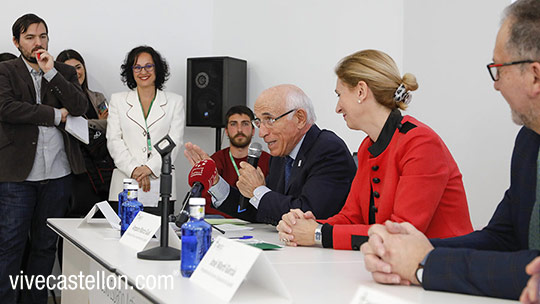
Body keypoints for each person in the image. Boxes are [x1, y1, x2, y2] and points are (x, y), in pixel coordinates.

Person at [361, 0, 540, 300]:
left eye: (497, 69)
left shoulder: (419, 140)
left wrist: (425, 264)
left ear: (534, 76)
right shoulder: (527, 142)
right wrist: (407, 247)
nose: (495, 86)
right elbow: (503, 237)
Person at [276, 50, 473, 250]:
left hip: (443, 269)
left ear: (361, 91)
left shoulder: (421, 143)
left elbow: (402, 232)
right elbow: (352, 217)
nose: (337, 108)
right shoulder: (367, 147)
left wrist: (318, 234)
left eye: (339, 95)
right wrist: (307, 226)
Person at [0, 13, 88, 303]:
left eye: (43, 36)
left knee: (45, 246)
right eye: (30, 37)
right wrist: (53, 114)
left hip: (58, 174)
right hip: (17, 176)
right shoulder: (6, 70)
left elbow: (79, 105)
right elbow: (8, 108)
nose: (38, 43)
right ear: (16, 41)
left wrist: (51, 73)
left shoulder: (62, 70)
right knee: (10, 246)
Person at [184, 84, 356, 225]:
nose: (261, 132)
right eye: (259, 122)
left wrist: (258, 190)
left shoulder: (328, 149)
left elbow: (309, 214)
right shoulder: (281, 155)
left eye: (269, 120)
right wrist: (214, 181)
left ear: (300, 118)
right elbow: (260, 211)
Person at [107, 45, 184, 215]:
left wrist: (149, 168)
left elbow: (174, 141)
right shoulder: (118, 100)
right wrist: (134, 169)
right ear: (131, 71)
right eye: (137, 67)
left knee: (159, 239)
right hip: (125, 183)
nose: (143, 71)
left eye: (149, 66)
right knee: (122, 238)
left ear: (158, 69)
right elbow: (114, 140)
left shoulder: (175, 102)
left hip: (160, 185)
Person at [57, 49, 114, 216]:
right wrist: (97, 123)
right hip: (75, 166)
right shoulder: (57, 101)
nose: (76, 72)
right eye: (69, 69)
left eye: (78, 66)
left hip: (101, 163)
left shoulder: (97, 97)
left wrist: (80, 123)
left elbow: (110, 124)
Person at [205, 105, 271, 218]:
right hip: (223, 224)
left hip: (258, 223)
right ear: (226, 131)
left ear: (253, 130)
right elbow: (206, 203)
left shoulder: (269, 160)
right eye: (233, 124)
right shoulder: (216, 160)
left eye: (245, 124)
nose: (239, 129)